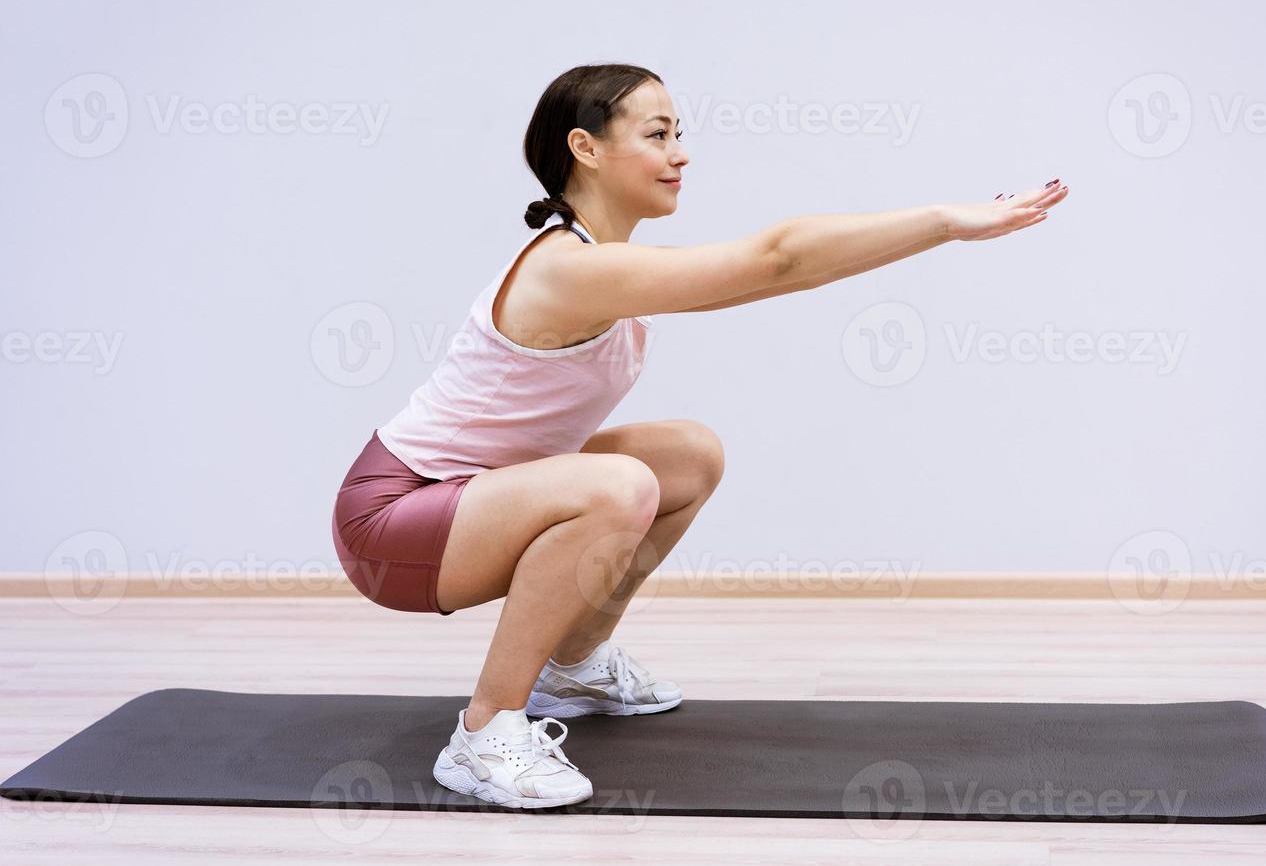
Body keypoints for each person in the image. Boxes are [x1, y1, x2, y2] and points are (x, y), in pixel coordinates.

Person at [331, 62, 1070, 808]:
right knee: (620, 487)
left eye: (679, 134)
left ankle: (574, 667)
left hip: (466, 504)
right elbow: (777, 260)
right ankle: (484, 736)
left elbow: (775, 269)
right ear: (585, 149)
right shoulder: (566, 270)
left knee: (686, 456)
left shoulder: (595, 260)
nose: (681, 154)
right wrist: (945, 221)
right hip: (392, 522)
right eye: (658, 135)